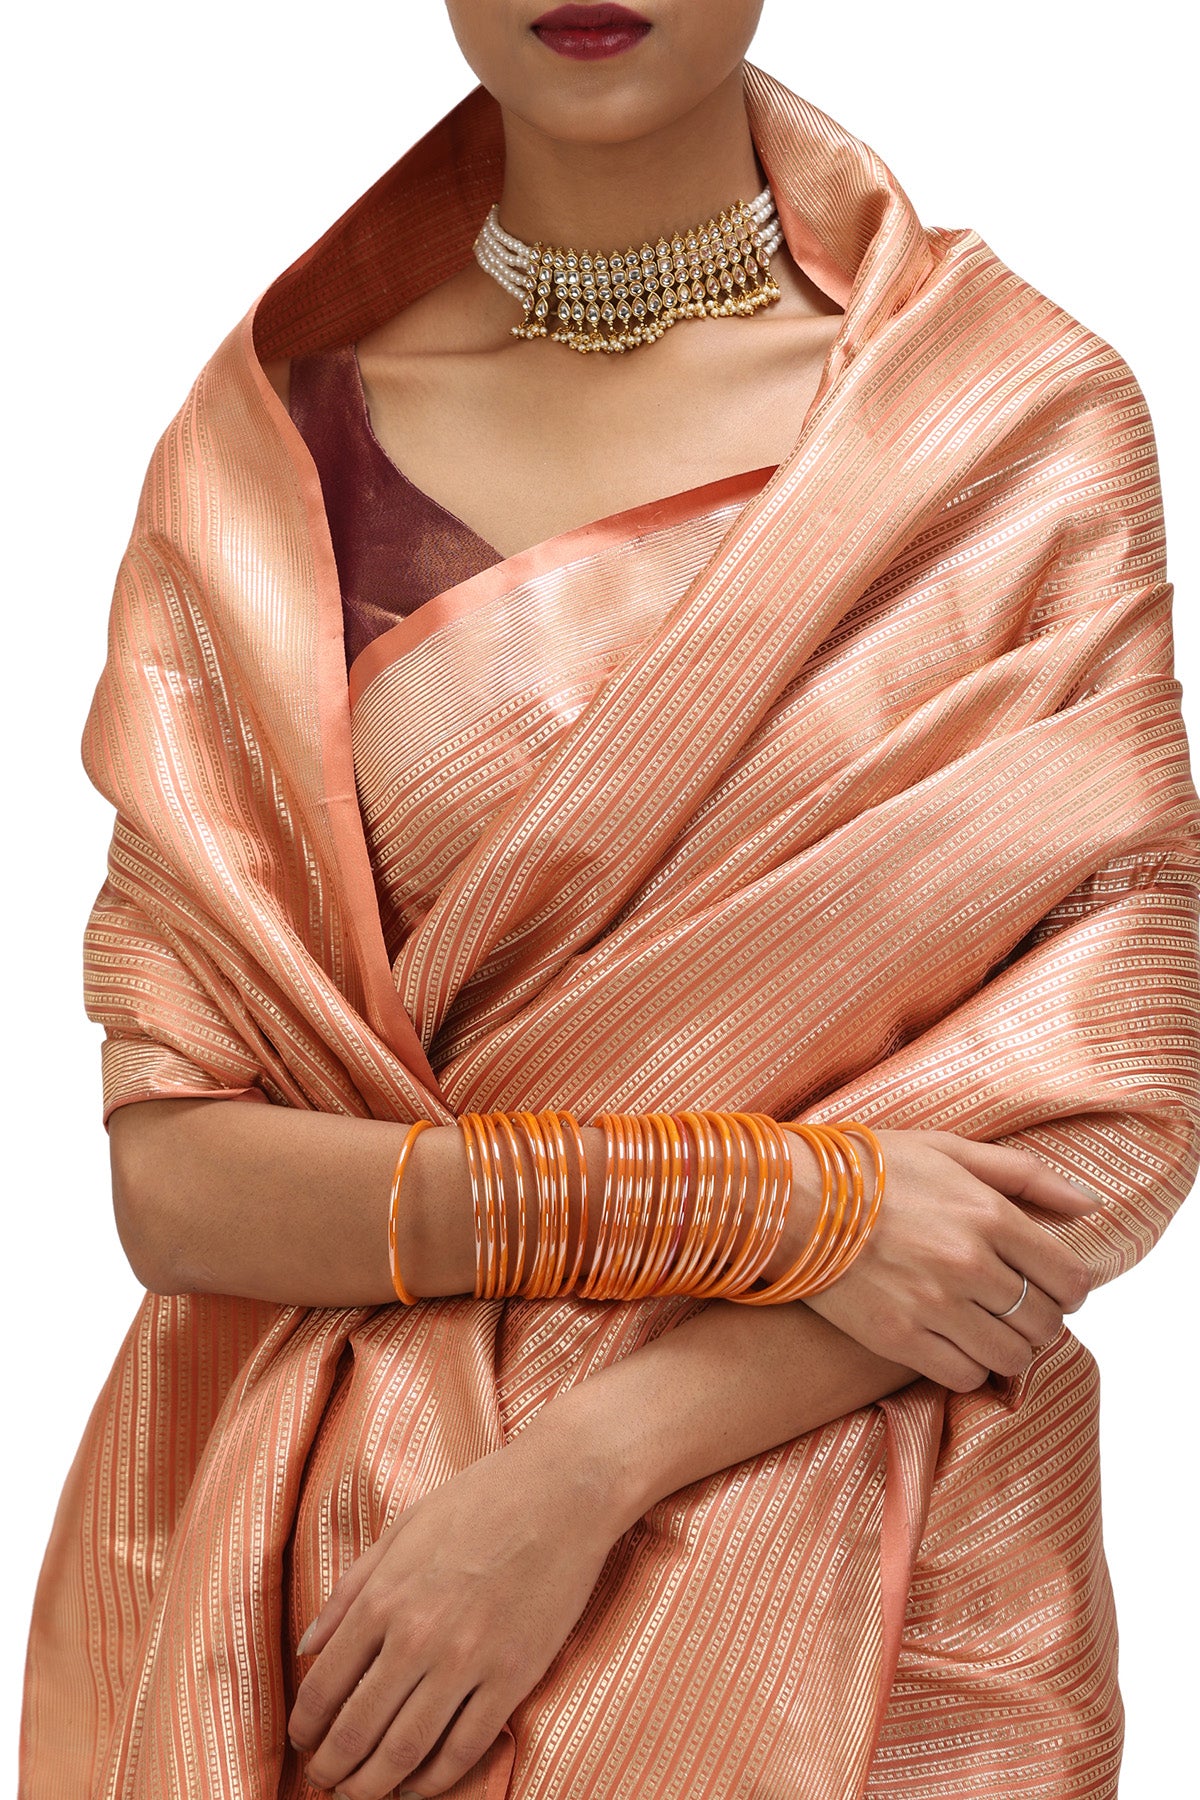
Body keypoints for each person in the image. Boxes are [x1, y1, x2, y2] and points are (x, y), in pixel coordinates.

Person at [19, 2, 1200, 1796]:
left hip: (894, 1573)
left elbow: (1101, 1125)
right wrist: (788, 1202)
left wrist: (585, 1472)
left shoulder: (1006, 424)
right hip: (359, 1589)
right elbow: (178, 1183)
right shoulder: (268, 463)